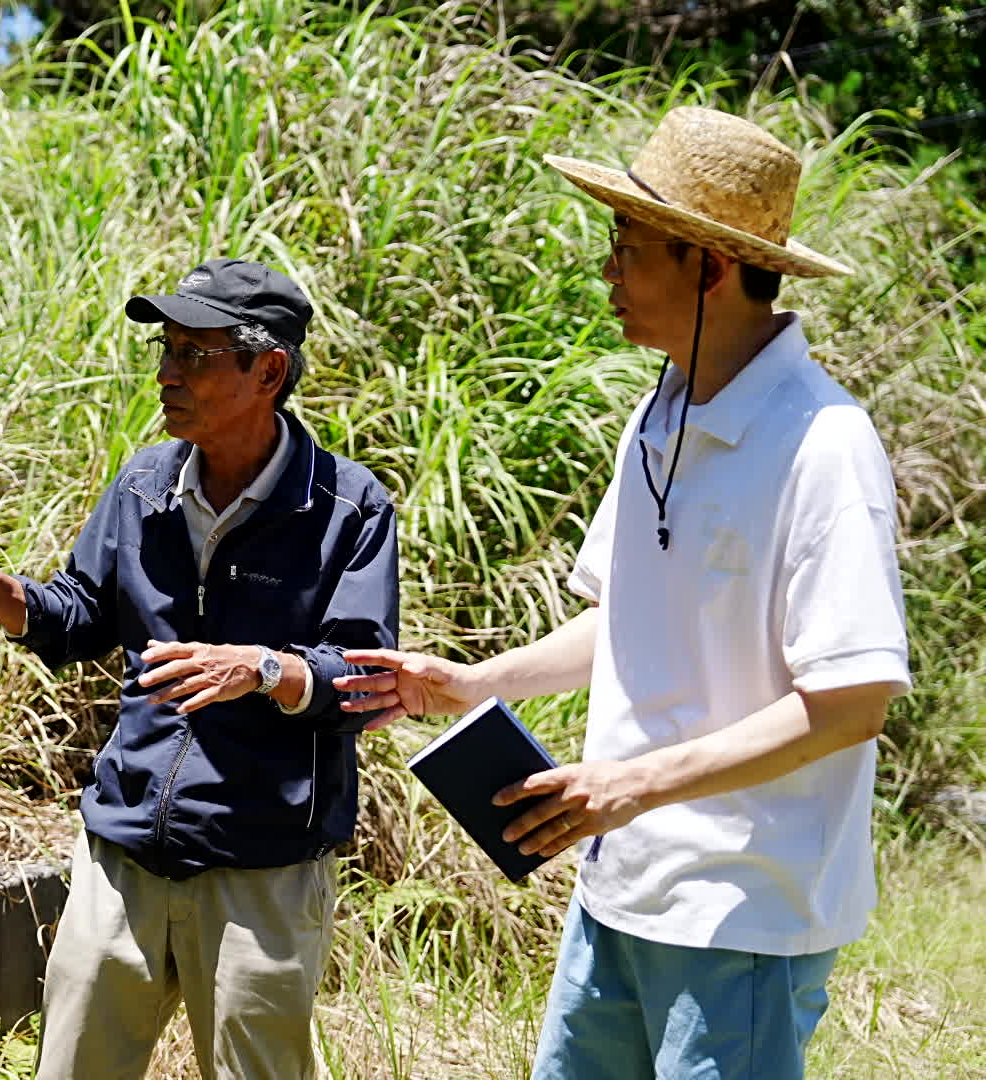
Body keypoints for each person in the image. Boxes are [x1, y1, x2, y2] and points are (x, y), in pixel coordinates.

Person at [335, 107, 911, 1078]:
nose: (608, 269)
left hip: (743, 918)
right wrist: (471, 682)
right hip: (618, 891)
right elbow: (622, 620)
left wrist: (628, 785)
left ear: (710, 267)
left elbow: (852, 703)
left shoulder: (825, 445)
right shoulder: (661, 410)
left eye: (628, 245)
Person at [0, 258, 398, 1080]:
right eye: (165, 350)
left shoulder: (346, 509)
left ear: (268, 371)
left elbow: (364, 681)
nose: (167, 374)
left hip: (261, 867)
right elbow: (79, 616)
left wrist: (265, 670)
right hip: (124, 851)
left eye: (194, 354)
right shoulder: (144, 484)